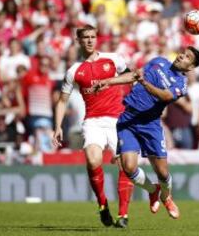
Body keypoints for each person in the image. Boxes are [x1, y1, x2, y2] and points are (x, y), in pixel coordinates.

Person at [94, 46, 199, 219]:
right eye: (183, 53)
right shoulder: (159, 61)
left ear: (190, 67)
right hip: (128, 119)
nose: (182, 56)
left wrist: (145, 83)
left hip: (150, 125)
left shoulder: (181, 84)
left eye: (188, 57)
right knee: (129, 167)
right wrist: (108, 81)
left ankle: (166, 197)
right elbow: (134, 75)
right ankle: (153, 190)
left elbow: (165, 96)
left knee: (162, 173)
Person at [52, 25, 136, 228]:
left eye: (92, 37)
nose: (90, 40)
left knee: (125, 164)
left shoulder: (113, 59)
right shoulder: (74, 71)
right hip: (93, 121)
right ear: (78, 41)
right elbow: (62, 101)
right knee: (92, 160)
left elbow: (132, 77)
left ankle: (123, 215)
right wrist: (57, 127)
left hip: (118, 119)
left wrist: (135, 106)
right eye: (85, 38)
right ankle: (102, 204)